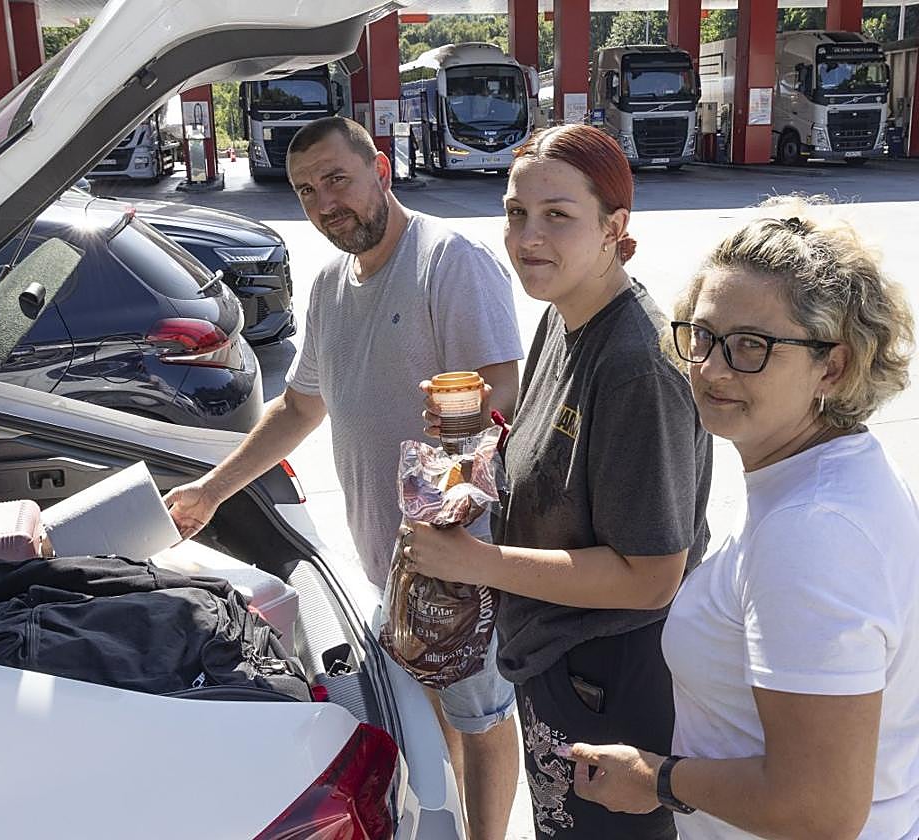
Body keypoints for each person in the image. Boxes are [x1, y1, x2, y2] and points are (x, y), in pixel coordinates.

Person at [164, 116, 525, 840]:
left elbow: (502, 394)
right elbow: (299, 408)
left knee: (480, 717)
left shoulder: (447, 261)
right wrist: (212, 491)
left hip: (465, 560)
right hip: (390, 563)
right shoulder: (330, 286)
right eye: (305, 190)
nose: (325, 203)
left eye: (337, 179)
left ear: (380, 171)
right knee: (426, 716)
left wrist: (445, 501)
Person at [566, 200, 919, 839]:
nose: (712, 368)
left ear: (832, 367)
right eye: (702, 336)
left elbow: (819, 808)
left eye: (752, 346)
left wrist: (655, 779)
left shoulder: (812, 531)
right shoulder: (833, 473)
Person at [402, 123, 712, 839]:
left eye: (558, 216)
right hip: (556, 662)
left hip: (614, 679)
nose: (528, 236)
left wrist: (476, 562)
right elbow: (549, 459)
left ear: (615, 227)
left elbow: (651, 576)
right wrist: (473, 435)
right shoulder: (563, 318)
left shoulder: (635, 364)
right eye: (516, 213)